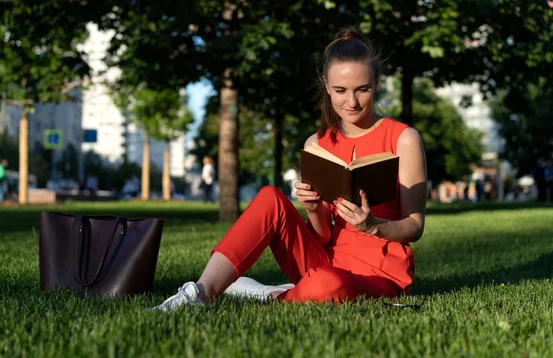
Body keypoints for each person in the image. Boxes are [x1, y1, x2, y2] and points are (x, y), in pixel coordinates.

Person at [151, 27, 427, 312]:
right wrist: (313, 208)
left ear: (376, 83)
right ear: (326, 86)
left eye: (363, 90)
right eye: (340, 91)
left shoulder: (404, 139)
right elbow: (322, 236)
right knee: (271, 197)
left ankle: (272, 295)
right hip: (324, 262)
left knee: (327, 285)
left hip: (378, 275)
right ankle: (200, 292)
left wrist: (372, 226)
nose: (352, 102)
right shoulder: (317, 145)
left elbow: (415, 226)